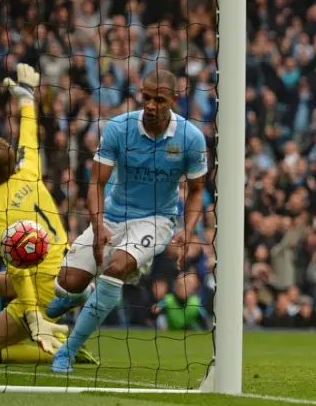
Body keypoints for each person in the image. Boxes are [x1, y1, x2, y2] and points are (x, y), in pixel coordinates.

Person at [49, 68, 208, 373]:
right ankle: (84, 293)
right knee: (65, 285)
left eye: (158, 99)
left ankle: (68, 351)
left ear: (174, 99)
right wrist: (97, 227)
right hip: (113, 214)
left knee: (117, 267)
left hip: (156, 220)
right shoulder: (118, 128)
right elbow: (95, 183)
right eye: (146, 97)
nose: (150, 104)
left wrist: (187, 230)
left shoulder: (191, 138)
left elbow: (197, 190)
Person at [0, 64, 97, 366]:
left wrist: (32, 314)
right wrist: (26, 97)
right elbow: (28, 132)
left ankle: (58, 347)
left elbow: (19, 269)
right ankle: (47, 319)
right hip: (69, 269)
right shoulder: (29, 169)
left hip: (41, 289)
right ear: (13, 162)